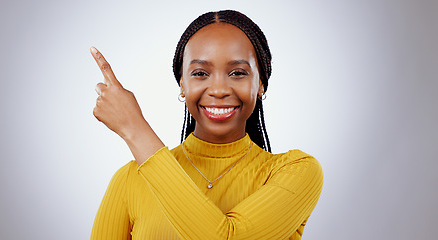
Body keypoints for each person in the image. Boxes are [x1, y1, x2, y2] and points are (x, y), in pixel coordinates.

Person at [90, 10, 323, 240]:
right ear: (182, 84)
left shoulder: (296, 171)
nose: (219, 90)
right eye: (201, 73)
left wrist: (135, 129)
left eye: (238, 72)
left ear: (260, 84)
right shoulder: (131, 180)